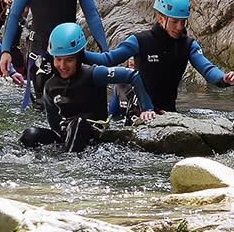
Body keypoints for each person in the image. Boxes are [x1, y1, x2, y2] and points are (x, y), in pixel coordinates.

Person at [87, 0, 234, 114]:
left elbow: (207, 69)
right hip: (137, 111)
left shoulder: (188, 45)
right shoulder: (140, 41)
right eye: (175, 22)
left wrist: (224, 78)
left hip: (167, 112)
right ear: (160, 18)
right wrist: (77, 55)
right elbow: (107, 60)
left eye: (183, 22)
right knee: (121, 87)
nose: (179, 27)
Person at [21, 22, 155, 153]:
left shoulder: (94, 74)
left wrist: (147, 108)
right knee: (29, 134)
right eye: (58, 59)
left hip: (93, 134)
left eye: (69, 60)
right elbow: (54, 125)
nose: (62, 66)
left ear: (79, 58)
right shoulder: (50, 86)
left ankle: (66, 165)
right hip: (67, 135)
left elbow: (132, 76)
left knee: (78, 123)